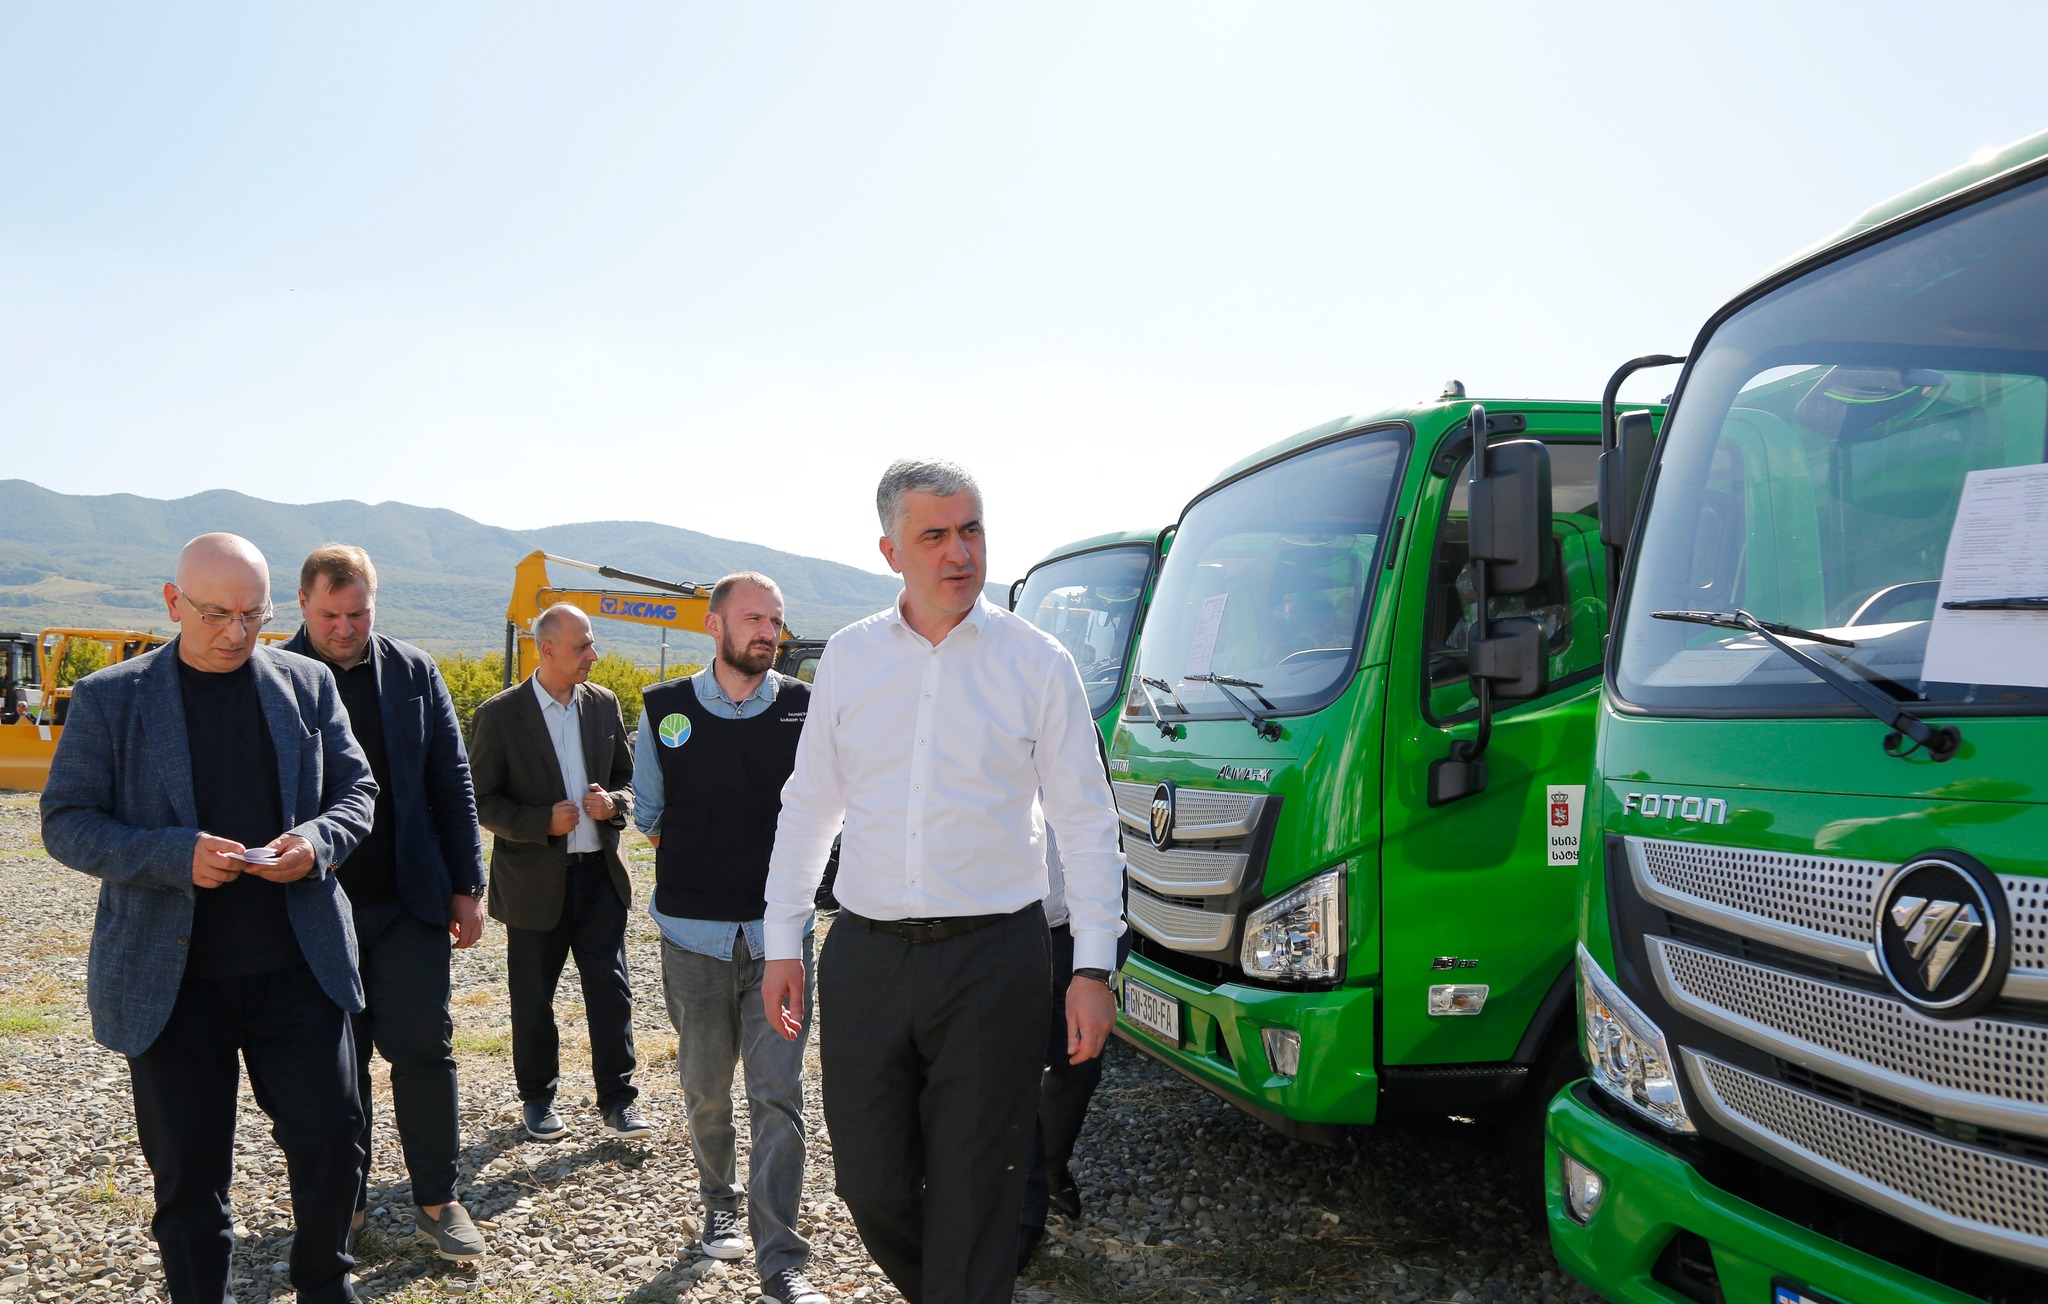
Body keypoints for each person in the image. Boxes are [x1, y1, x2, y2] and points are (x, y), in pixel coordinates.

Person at [761, 459, 1127, 1304]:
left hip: (995, 960)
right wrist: (783, 939)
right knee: (871, 1182)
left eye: (971, 531)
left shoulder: (1037, 662)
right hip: (867, 956)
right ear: (891, 551)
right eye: (935, 536)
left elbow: (1086, 821)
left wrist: (1093, 968)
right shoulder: (850, 658)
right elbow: (810, 803)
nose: (959, 553)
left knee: (979, 1186)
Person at [41, 533, 376, 1304]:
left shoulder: (308, 684)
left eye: (253, 615)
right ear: (173, 602)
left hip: (300, 968)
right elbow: (66, 823)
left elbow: (356, 793)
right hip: (173, 984)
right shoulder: (111, 698)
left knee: (331, 1142)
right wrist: (171, 854)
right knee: (190, 1178)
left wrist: (315, 844)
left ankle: (326, 1285)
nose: (235, 632)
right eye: (216, 614)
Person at [282, 544, 490, 1262]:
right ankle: (346, 1207)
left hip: (409, 902)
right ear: (302, 605)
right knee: (334, 1067)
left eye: (359, 613)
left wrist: (468, 886)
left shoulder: (412, 672)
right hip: (316, 908)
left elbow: (452, 782)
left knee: (424, 1049)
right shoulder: (273, 677)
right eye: (330, 615)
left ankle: (438, 1201)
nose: (345, 628)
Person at [633, 572, 826, 1304]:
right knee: (706, 1088)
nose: (768, 632)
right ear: (714, 627)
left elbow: (828, 808)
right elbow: (649, 813)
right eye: (753, 619)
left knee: (778, 1095)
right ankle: (719, 1200)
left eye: (775, 619)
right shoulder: (665, 710)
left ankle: (781, 1258)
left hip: (784, 942)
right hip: (694, 938)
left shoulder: (806, 708)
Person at [468, 602, 648, 1142]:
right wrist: (540, 822)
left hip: (599, 878)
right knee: (533, 999)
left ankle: (618, 1101)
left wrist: (614, 803)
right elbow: (481, 801)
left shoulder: (604, 704)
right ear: (547, 650)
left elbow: (630, 782)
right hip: (532, 885)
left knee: (611, 992)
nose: (594, 654)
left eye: (591, 643)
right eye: (582, 646)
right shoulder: (500, 715)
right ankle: (538, 1099)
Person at [1017, 827, 1134, 1273]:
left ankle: (1051, 1163)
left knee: (1079, 1063)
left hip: (1074, 934)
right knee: (1007, 1073)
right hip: (1002, 933)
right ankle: (1023, 1217)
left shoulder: (1085, 774)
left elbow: (1101, 840)